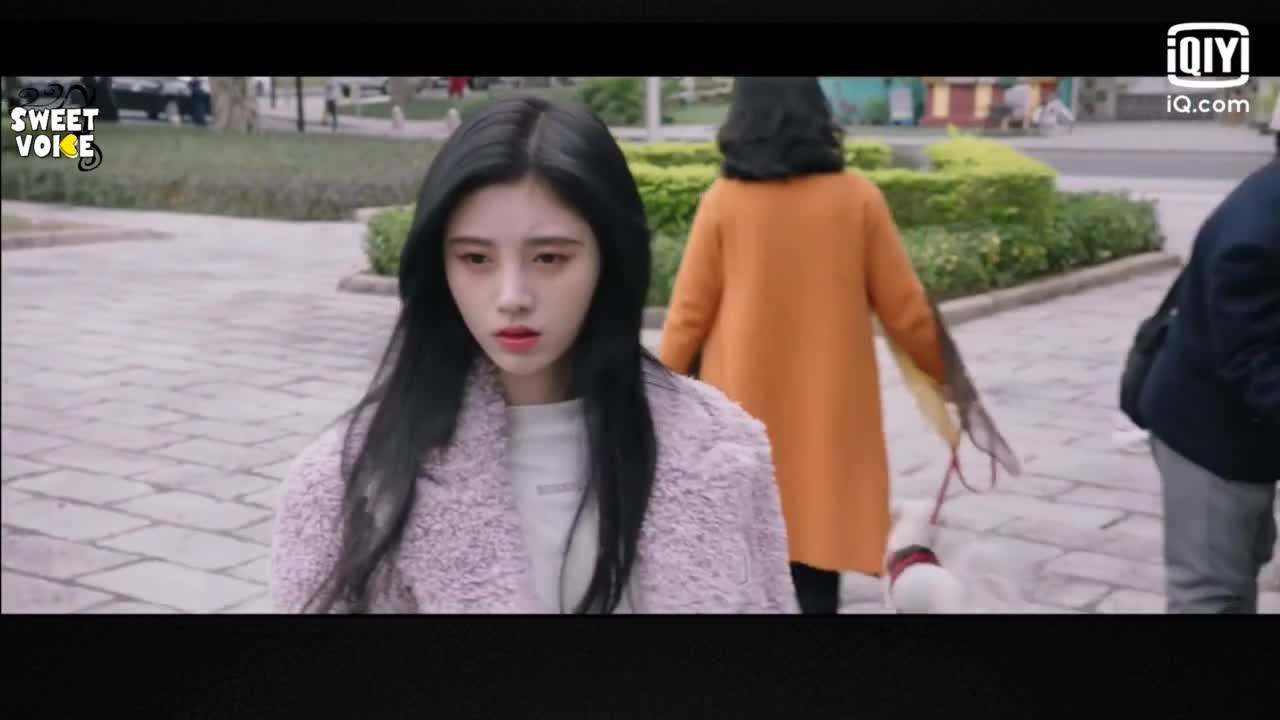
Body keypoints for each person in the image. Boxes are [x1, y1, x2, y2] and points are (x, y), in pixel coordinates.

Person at [270, 95, 797, 614]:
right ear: (439, 266)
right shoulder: (344, 485)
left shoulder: (724, 450)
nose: (512, 297)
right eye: (476, 258)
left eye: (549, 258)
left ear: (609, 258)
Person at [656, 77, 947, 614]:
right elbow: (907, 313)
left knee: (743, 579)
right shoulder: (857, 199)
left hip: (739, 427)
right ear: (819, 115)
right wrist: (946, 379)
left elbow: (687, 319)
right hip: (828, 429)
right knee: (814, 575)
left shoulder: (723, 202)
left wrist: (649, 397)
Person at [1138, 158, 1279, 614]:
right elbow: (1254, 363)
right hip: (1207, 438)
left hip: (1250, 434)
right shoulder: (1256, 233)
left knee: (1244, 562)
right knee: (1209, 594)